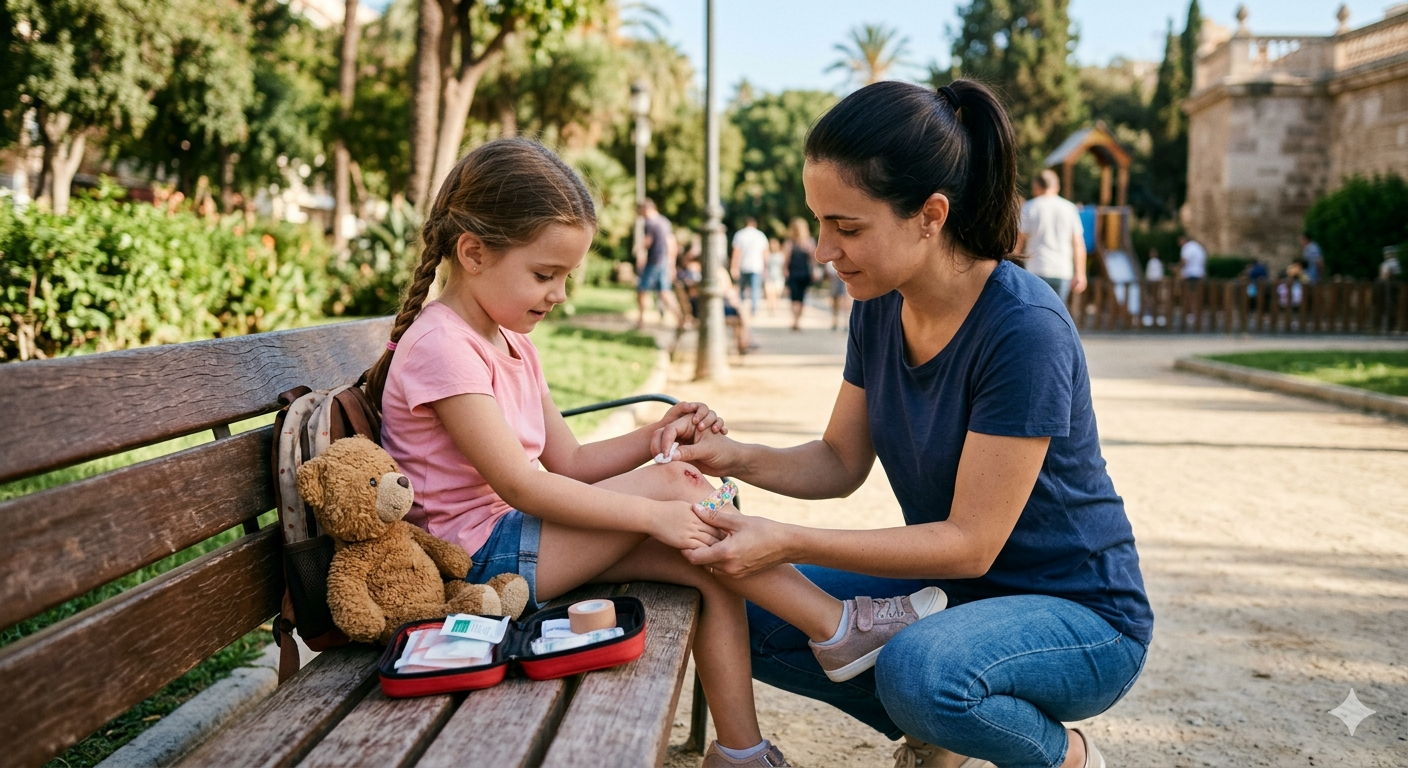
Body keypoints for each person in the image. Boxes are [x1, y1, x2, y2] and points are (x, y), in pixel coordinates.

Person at [367, 138, 936, 768]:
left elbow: (571, 462)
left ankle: (741, 753)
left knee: (710, 562)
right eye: (544, 274)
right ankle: (835, 627)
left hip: (517, 542)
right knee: (679, 492)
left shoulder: (508, 340)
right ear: (472, 253)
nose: (559, 294)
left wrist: (658, 435)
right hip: (478, 566)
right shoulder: (443, 347)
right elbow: (523, 487)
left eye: (567, 276)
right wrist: (655, 508)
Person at [671, 81, 1152, 768]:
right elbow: (840, 462)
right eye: (819, 222)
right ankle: (946, 722)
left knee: (921, 674)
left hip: (1080, 615)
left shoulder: (1024, 329)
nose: (822, 249)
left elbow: (970, 545)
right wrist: (733, 456)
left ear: (931, 214)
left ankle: (1065, 755)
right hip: (946, 599)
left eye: (847, 226)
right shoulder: (877, 304)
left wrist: (782, 541)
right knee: (742, 611)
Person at [1016, 169, 1086, 303]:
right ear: (1057, 187)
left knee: (1036, 316)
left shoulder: (1029, 207)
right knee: (1056, 315)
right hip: (1062, 270)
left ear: (1037, 187)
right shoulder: (1069, 208)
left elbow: (1019, 241)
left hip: (1036, 269)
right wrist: (1080, 273)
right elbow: (1078, 244)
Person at [635, 198, 682, 330]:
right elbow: (671, 242)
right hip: (664, 261)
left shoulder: (649, 223)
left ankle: (641, 321)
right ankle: (681, 319)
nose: (639, 214)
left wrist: (639, 250)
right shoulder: (664, 221)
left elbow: (648, 242)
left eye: (640, 210)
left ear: (646, 208)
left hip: (653, 261)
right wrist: (671, 263)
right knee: (665, 292)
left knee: (642, 290)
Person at [731, 217, 769, 316]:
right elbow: (765, 253)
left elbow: (736, 253)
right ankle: (753, 310)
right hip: (757, 266)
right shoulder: (760, 235)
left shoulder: (739, 235)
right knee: (755, 289)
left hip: (743, 266)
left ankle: (742, 310)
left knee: (742, 289)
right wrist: (765, 268)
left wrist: (734, 267)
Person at [783, 218, 816, 331]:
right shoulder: (809, 243)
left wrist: (785, 273)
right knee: (801, 298)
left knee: (794, 299)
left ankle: (795, 320)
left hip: (793, 274)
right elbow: (813, 260)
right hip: (804, 273)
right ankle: (797, 320)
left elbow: (785, 261)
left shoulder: (789, 243)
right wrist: (814, 271)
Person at [826, 260, 852, 332]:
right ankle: (835, 321)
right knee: (835, 300)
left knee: (845, 300)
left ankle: (845, 323)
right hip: (835, 276)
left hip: (845, 275)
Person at [764, 237, 785, 315]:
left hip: (779, 277)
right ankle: (771, 308)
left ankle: (775, 305)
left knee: (777, 293)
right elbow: (765, 265)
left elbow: (784, 266)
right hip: (769, 277)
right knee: (770, 293)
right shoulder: (768, 255)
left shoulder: (781, 255)